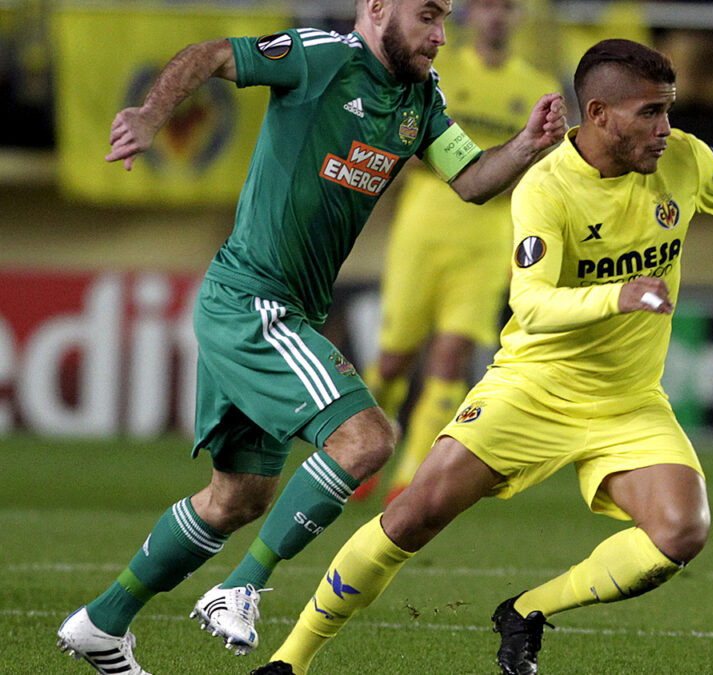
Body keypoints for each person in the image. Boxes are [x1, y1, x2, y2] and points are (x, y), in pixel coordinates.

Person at [250, 38, 713, 675]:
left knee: (681, 531)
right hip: (534, 387)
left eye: (668, 110)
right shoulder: (547, 189)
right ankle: (290, 661)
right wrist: (619, 296)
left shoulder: (684, 161)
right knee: (413, 514)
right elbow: (533, 303)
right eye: (650, 114)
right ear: (599, 113)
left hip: (627, 401)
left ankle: (526, 610)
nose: (666, 129)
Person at [54, 0, 566, 672]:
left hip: (279, 307)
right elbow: (210, 54)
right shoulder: (321, 56)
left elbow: (470, 180)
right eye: (428, 17)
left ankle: (102, 621)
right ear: (378, 7)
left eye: (445, 20)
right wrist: (152, 115)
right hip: (254, 300)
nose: (441, 35)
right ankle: (240, 586)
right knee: (368, 439)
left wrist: (526, 147)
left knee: (237, 497)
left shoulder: (420, 98)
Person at [356, 0, 560, 507]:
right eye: (488, 6)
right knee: (395, 357)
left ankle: (409, 479)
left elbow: (548, 168)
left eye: (507, 8)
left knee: (452, 356)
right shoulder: (437, 74)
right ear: (471, 15)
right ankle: (360, 452)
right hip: (424, 227)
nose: (497, 16)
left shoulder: (536, 87)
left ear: (518, 18)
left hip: (489, 237)